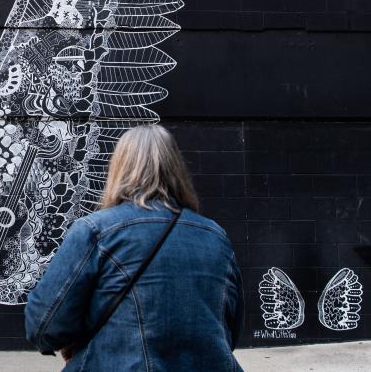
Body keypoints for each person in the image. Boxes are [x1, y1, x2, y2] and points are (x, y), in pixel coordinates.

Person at [24, 125, 244, 371]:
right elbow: (229, 331)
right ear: (178, 170)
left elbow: (43, 326)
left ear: (119, 169)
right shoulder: (215, 236)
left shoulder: (95, 231)